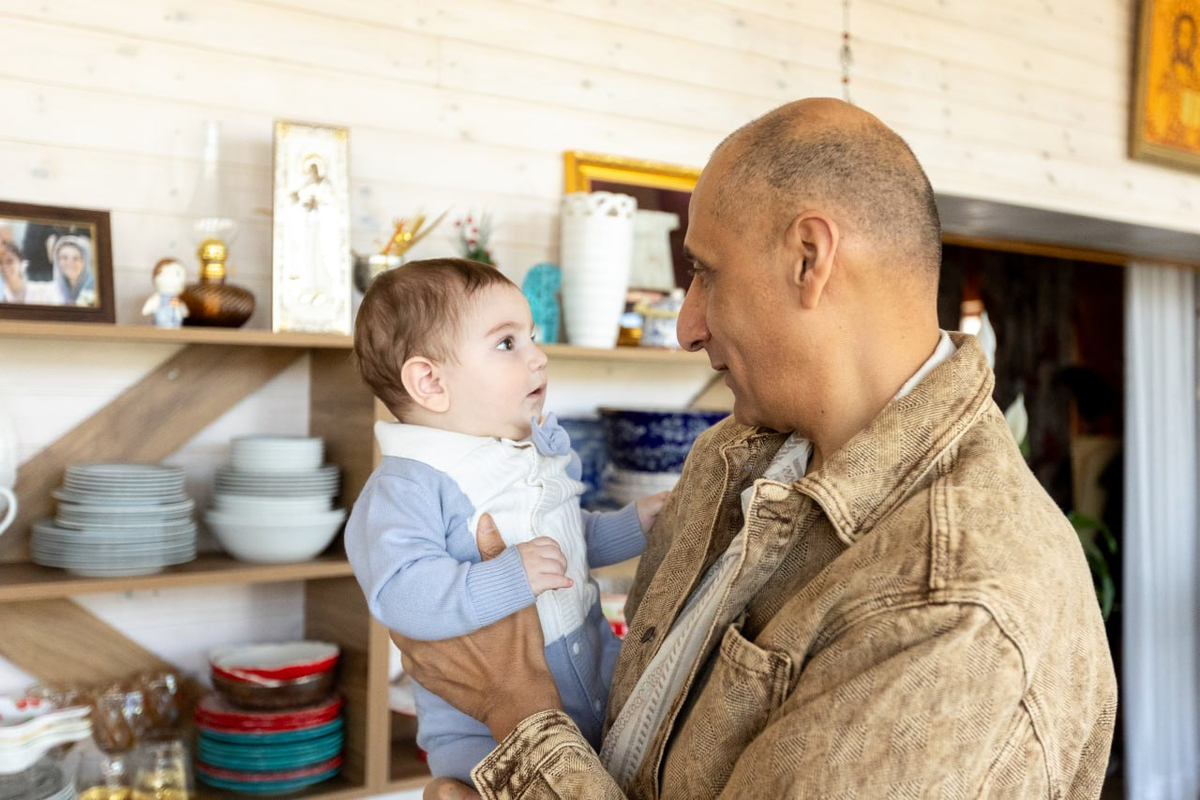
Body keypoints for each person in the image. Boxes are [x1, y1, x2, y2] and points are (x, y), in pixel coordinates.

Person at [393, 98, 1119, 798]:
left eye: (706, 273)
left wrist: (513, 707)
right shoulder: (729, 455)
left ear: (810, 258)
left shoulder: (956, 609)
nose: (686, 326)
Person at [344, 258, 667, 786]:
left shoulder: (518, 455)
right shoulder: (410, 483)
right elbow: (401, 592)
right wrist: (509, 578)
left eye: (532, 337)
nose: (538, 358)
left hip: (593, 685)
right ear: (429, 381)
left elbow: (564, 545)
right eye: (507, 343)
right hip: (483, 738)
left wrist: (634, 525)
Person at [51, 235, 95, 306]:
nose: (70, 263)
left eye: (76, 258)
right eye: (64, 258)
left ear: (86, 262)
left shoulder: (97, 292)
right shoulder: (51, 291)